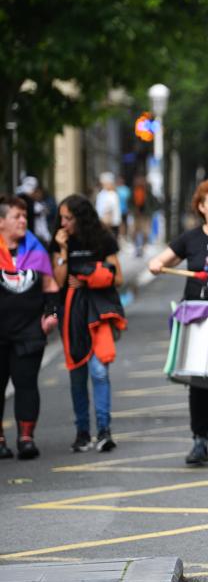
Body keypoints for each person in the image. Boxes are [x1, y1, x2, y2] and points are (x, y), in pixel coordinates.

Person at [148, 179, 208, 465]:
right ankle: (199, 440)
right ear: (201, 207)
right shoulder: (191, 238)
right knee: (198, 380)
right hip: (199, 316)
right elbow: (159, 262)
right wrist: (157, 265)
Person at [50, 195, 126, 454]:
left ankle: (104, 430)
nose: (64, 223)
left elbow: (118, 278)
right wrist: (61, 250)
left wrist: (88, 277)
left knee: (99, 371)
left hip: (99, 311)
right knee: (77, 373)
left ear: (81, 218)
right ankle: (82, 432)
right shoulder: (61, 239)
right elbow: (59, 282)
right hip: (71, 314)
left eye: (68, 218)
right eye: (61, 218)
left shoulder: (102, 238)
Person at [0, 196, 59, 459]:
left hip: (29, 331)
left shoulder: (36, 249)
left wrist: (50, 313)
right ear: (1, 221)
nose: (23, 221)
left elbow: (50, 286)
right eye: (16, 216)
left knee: (26, 384)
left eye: (25, 216)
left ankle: (26, 437)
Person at [95, 172, 122, 237]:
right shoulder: (104, 194)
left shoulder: (111, 194)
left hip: (110, 224)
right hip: (105, 224)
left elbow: (110, 211)